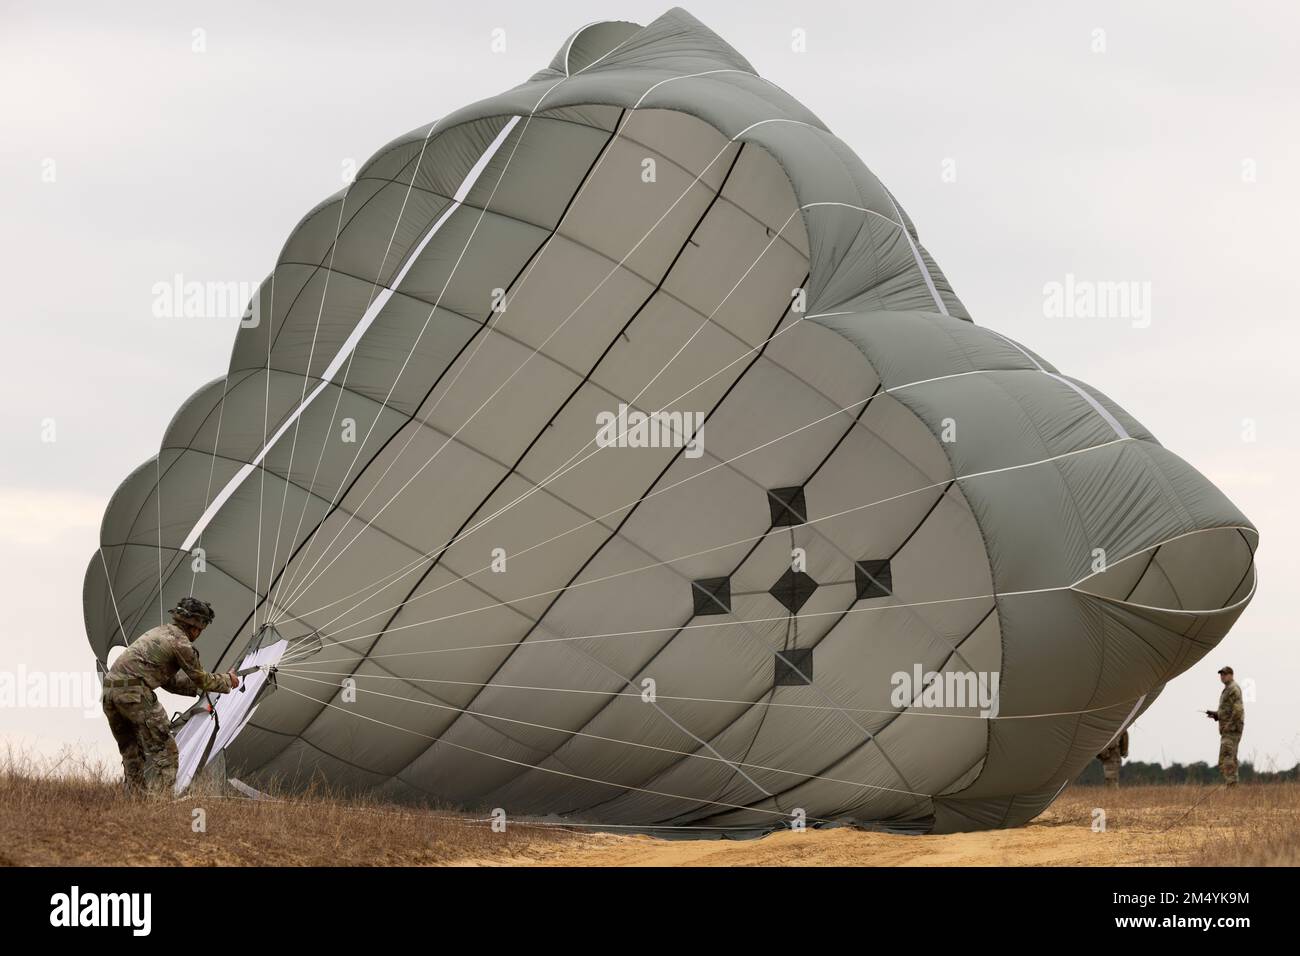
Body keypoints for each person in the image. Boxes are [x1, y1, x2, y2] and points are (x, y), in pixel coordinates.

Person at [100, 597, 239, 795]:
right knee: (167, 751)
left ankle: (135, 803)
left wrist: (198, 689)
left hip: (109, 692)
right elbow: (202, 679)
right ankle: (161, 806)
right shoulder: (181, 644)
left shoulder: (159, 632)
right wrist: (228, 680)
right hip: (135, 692)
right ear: (195, 627)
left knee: (131, 752)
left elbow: (169, 681)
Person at [1205, 665, 1245, 786]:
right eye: (1221, 674)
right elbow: (1228, 710)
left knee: (1226, 758)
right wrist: (1217, 715)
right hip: (1229, 729)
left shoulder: (1233, 688)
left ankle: (1232, 786)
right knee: (1229, 757)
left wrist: (1229, 725)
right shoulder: (1228, 689)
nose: (1222, 676)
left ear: (1231, 675)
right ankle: (1232, 785)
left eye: (1225, 674)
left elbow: (1238, 710)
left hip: (1231, 730)